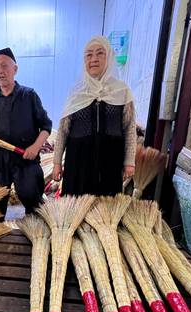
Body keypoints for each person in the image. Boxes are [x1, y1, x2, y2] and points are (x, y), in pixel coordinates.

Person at [52, 36, 136, 196]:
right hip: (78, 160)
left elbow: (129, 128)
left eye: (100, 53)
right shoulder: (76, 92)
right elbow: (63, 130)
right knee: (76, 204)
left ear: (109, 57)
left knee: (106, 207)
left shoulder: (122, 91)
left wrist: (129, 162)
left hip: (110, 159)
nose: (94, 59)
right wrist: (57, 163)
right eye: (89, 55)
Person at [0, 47, 52, 217]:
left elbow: (46, 126)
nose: (0, 71)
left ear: (15, 69)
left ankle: (36, 236)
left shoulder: (28, 96)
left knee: (32, 200)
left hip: (24, 158)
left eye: (4, 66)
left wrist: (35, 147)